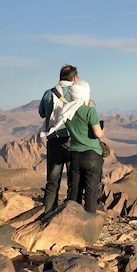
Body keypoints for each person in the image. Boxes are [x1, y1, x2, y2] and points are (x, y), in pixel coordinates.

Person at [39, 65, 78, 213]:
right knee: (73, 181)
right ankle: (71, 214)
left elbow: (42, 114)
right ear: (74, 78)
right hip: (71, 140)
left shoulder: (48, 93)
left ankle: (47, 213)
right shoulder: (77, 94)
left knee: (52, 181)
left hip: (54, 140)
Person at [64, 80, 104, 213]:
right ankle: (90, 224)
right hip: (91, 156)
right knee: (91, 194)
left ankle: (72, 222)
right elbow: (98, 133)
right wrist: (102, 130)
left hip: (74, 156)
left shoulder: (66, 112)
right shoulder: (89, 111)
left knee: (74, 192)